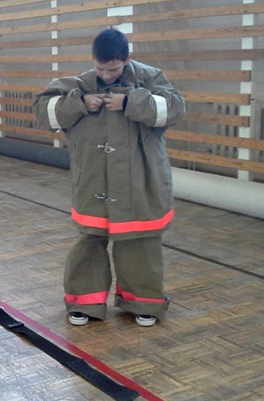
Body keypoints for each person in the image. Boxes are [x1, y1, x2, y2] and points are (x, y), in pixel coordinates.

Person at [32, 28, 185, 327]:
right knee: (89, 241)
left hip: (140, 182)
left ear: (126, 60)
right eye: (100, 68)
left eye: (113, 69)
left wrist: (131, 103)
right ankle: (84, 302)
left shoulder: (151, 79)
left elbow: (176, 108)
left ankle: (143, 302)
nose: (106, 75)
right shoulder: (80, 84)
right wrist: (79, 102)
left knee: (140, 243)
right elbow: (43, 110)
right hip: (93, 182)